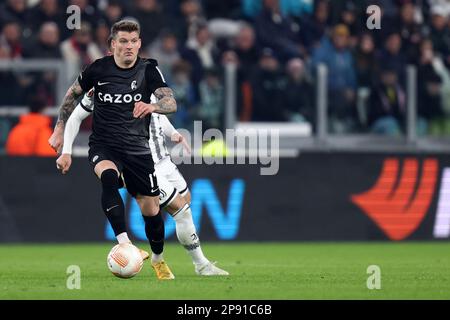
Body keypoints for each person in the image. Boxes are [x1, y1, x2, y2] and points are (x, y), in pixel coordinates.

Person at [49, 20, 177, 280]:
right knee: (108, 178)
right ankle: (125, 243)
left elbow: (170, 102)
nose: (129, 46)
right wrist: (60, 128)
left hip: (137, 149)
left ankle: (158, 258)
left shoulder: (149, 70)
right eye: (123, 41)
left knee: (151, 209)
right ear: (112, 45)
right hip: (104, 144)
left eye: (133, 41)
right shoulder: (98, 69)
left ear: (139, 43)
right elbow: (72, 96)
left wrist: (153, 107)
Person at [58, 90, 229, 276]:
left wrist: (173, 133)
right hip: (145, 163)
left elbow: (157, 114)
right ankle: (200, 265)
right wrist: (66, 150)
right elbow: (77, 114)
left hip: (164, 159)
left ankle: (160, 254)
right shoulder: (111, 86)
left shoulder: (150, 77)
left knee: (185, 202)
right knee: (182, 211)